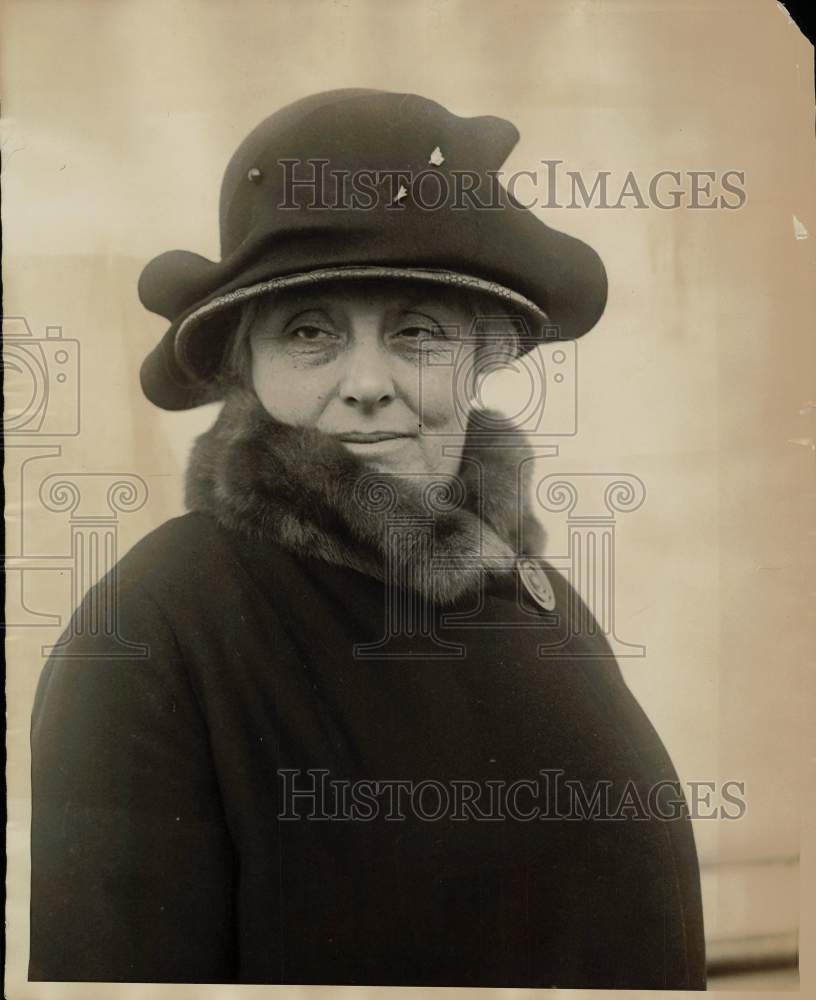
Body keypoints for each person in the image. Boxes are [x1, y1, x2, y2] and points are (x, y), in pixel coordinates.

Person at [29, 89, 706, 988]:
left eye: (416, 331)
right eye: (310, 332)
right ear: (247, 366)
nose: (367, 383)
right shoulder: (158, 626)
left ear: (482, 356)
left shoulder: (539, 599)